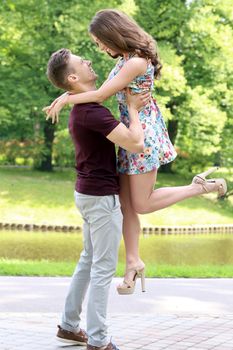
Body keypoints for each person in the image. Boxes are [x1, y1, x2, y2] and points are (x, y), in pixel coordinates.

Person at [44, 9, 227, 295]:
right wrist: (68, 94)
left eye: (101, 42)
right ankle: (132, 262)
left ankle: (199, 188)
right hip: (130, 128)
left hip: (143, 133)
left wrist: (67, 97)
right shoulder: (126, 60)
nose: (101, 48)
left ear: (113, 33)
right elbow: (101, 90)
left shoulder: (137, 62)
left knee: (140, 204)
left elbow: (101, 95)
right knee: (127, 205)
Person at [46, 48, 149, 350]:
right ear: (74, 77)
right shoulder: (92, 113)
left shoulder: (86, 108)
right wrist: (132, 109)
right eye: (83, 62)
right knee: (102, 268)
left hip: (87, 194)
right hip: (101, 198)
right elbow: (136, 143)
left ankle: (68, 326)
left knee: (88, 261)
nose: (90, 61)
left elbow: (106, 91)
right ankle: (100, 340)